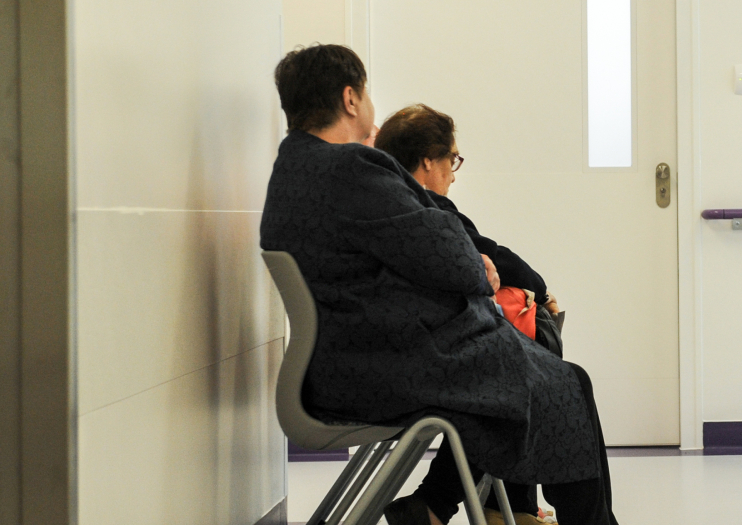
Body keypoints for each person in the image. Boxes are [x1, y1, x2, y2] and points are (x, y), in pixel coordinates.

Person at [259, 44, 620, 525]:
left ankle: (439, 505)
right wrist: (474, 264)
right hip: (388, 367)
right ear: (350, 98)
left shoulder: (292, 171)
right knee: (566, 384)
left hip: (353, 361)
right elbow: (454, 257)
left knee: (548, 380)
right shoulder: (349, 169)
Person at [374, 104, 565, 525]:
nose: (454, 173)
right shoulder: (428, 213)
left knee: (517, 361)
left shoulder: (387, 207)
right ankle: (474, 504)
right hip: (425, 367)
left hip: (401, 357)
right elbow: (492, 254)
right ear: (428, 161)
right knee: (525, 369)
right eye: (452, 159)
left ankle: (494, 504)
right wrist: (540, 289)